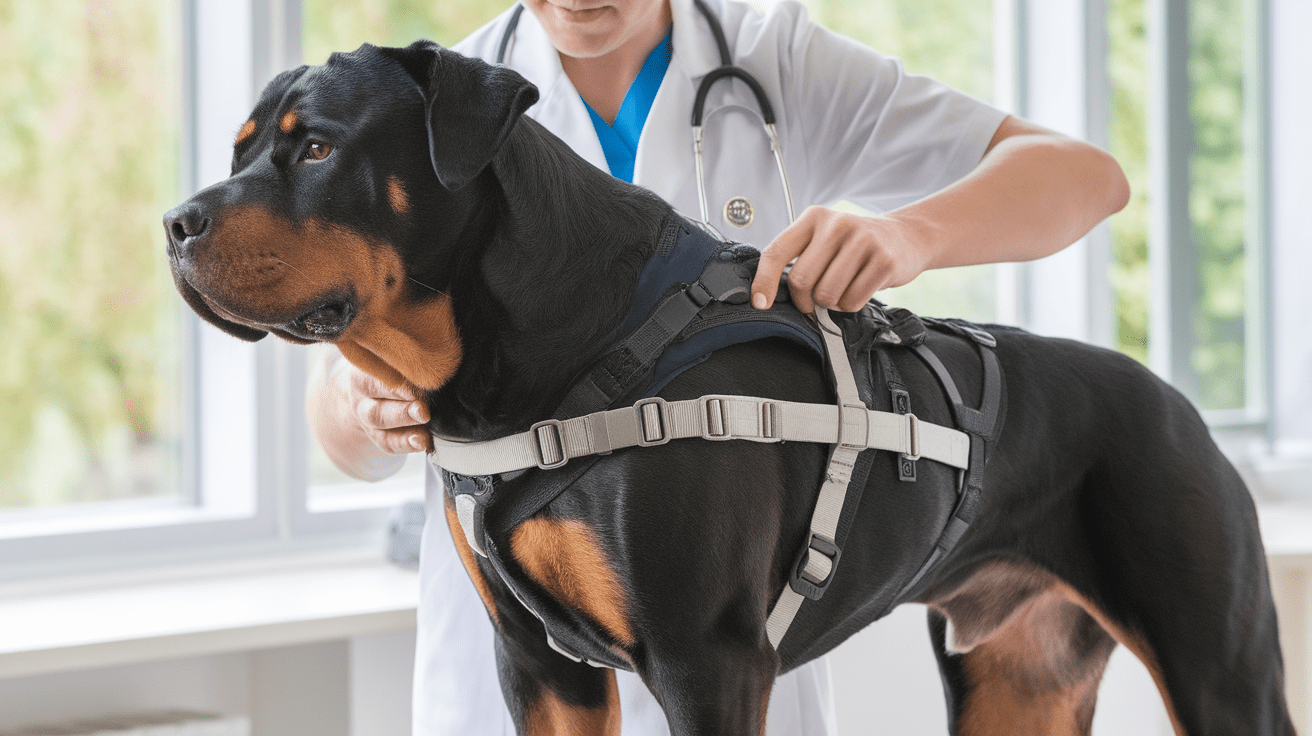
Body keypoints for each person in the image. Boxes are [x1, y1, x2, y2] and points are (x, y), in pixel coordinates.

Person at [306, 0, 1130, 732]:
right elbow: (339, 432)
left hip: (732, 653)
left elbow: (1085, 178)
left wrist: (913, 234)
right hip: (523, 671)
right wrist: (361, 407)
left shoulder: (780, 64)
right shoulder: (439, 104)